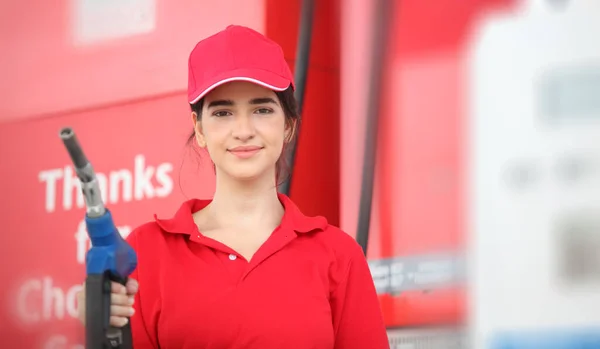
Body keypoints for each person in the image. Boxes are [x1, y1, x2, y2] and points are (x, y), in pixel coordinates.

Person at [76, 24, 389, 349]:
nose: (243, 130)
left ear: (288, 126)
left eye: (262, 109)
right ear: (199, 129)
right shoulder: (146, 252)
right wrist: (97, 330)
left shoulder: (338, 255)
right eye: (223, 112)